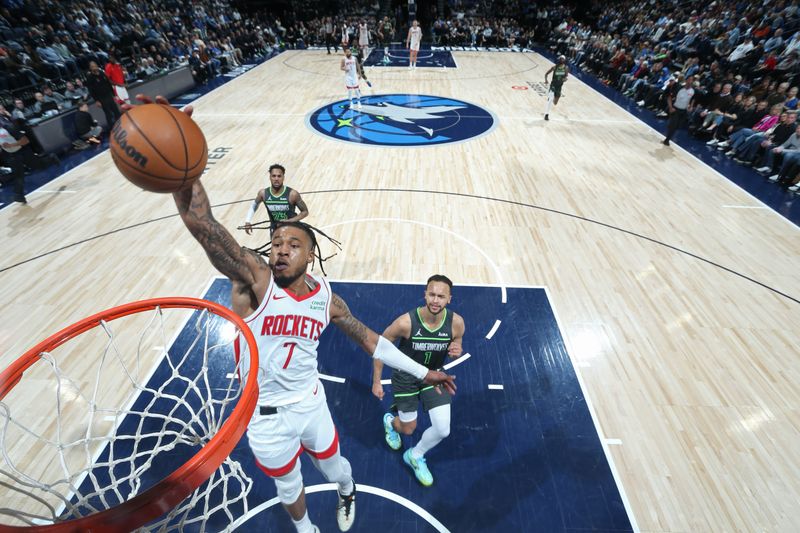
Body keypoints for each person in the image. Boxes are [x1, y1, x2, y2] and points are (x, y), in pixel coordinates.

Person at [136, 95, 456, 533]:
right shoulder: (255, 281)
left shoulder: (326, 298)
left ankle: (348, 491)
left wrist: (423, 373)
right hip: (263, 413)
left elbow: (372, 341)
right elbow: (206, 229)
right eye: (278, 242)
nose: (281, 248)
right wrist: (181, 174)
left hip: (311, 405)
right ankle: (306, 530)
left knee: (337, 468)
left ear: (311, 254)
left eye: (293, 244)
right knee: (288, 486)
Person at [372, 275, 465, 487]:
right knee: (408, 429)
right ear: (424, 294)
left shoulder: (456, 322)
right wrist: (377, 381)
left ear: (449, 298)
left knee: (443, 429)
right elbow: (380, 349)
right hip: (406, 377)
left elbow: (458, 340)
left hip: (435, 375)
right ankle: (390, 422)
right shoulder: (406, 323)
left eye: (441, 296)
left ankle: (415, 455)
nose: (435, 300)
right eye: (431, 294)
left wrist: (457, 348)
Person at [244, 163, 309, 234]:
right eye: (273, 176)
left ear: (283, 177)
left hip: (292, 228)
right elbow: (254, 205)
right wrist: (248, 221)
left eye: (279, 176)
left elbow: (305, 212)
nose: (276, 179)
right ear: (270, 177)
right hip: (275, 230)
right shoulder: (263, 193)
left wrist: (291, 220)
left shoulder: (292, 194)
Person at [85, 60, 122, 129]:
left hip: (109, 95)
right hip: (101, 98)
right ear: (90, 68)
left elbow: (109, 84)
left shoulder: (102, 73)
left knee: (116, 111)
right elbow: (91, 90)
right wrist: (96, 100)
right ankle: (112, 128)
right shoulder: (90, 78)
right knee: (109, 114)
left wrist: (114, 95)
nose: (94, 67)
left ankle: (121, 125)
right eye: (92, 66)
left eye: (95, 65)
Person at [662, 76, 695, 146]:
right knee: (674, 125)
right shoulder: (679, 88)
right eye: (689, 79)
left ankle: (670, 127)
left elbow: (693, 99)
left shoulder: (693, 91)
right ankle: (667, 140)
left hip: (684, 111)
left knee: (677, 126)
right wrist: (670, 107)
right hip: (675, 109)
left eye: (691, 80)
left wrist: (691, 106)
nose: (690, 81)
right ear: (686, 80)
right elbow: (669, 97)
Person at [543, 55, 569, 121]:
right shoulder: (554, 67)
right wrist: (546, 80)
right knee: (550, 100)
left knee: (555, 103)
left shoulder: (566, 68)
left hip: (559, 86)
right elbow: (546, 74)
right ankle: (546, 114)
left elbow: (566, 76)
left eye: (562, 59)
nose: (561, 60)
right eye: (560, 59)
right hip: (553, 85)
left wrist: (565, 79)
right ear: (559, 59)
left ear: (564, 60)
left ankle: (551, 97)